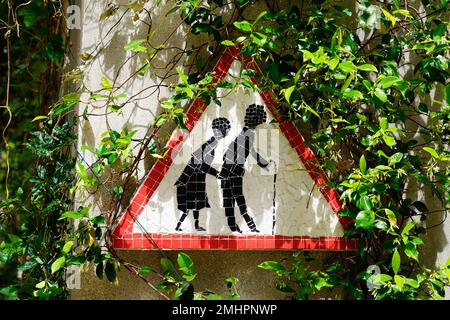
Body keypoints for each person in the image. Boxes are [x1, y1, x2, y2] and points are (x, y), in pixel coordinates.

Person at [218, 104, 271, 233]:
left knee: (230, 200)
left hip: (228, 171)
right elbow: (250, 152)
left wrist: (263, 163)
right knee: (237, 200)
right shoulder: (249, 134)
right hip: (233, 172)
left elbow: (230, 153)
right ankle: (249, 226)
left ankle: (236, 226)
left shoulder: (245, 133)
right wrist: (262, 163)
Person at [174, 117, 231, 232]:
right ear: (220, 131)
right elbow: (199, 161)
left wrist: (216, 173)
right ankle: (179, 226)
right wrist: (216, 173)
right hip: (192, 177)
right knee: (190, 205)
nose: (225, 132)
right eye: (224, 129)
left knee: (196, 205)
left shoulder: (213, 142)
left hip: (197, 176)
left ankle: (195, 226)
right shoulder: (212, 143)